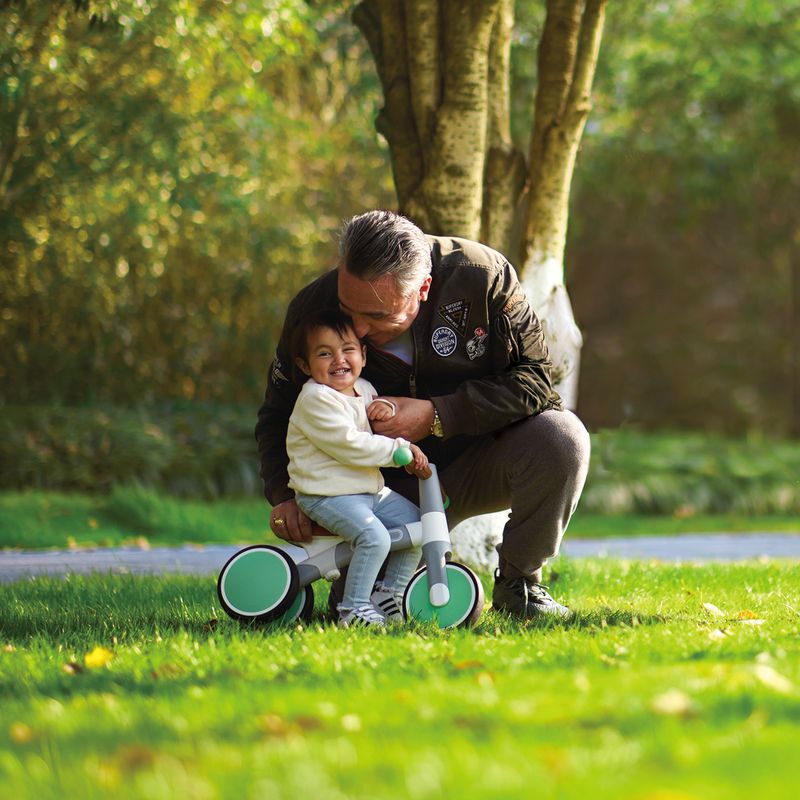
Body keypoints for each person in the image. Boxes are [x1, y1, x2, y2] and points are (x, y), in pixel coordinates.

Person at [257, 210, 591, 619]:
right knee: (365, 605)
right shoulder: (312, 307)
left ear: (424, 288)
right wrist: (283, 495)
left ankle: (520, 583)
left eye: (378, 316)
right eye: (349, 310)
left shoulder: (483, 277)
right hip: (382, 487)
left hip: (481, 459)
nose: (358, 331)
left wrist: (439, 414)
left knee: (562, 437)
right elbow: (277, 412)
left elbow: (536, 381)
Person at [286, 307, 427, 628]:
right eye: (325, 353)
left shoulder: (363, 389)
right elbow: (350, 444)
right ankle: (353, 609)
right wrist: (399, 450)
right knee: (374, 538)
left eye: (348, 349)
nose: (339, 360)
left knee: (417, 525)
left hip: (367, 491)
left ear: (363, 355)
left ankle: (390, 593)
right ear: (305, 365)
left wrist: (385, 407)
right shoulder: (316, 399)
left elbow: (369, 414)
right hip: (325, 494)